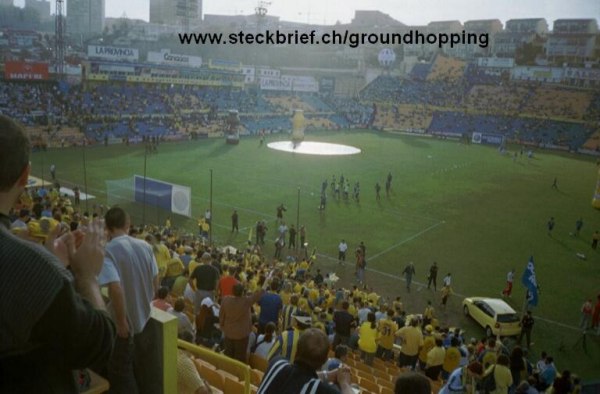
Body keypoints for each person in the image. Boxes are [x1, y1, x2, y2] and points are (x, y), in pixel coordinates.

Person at [0, 114, 115, 393]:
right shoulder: (29, 269)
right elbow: (100, 343)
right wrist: (86, 276)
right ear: (25, 176)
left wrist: (52, 264)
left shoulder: (36, 267)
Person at [98, 206, 159, 393]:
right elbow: (156, 280)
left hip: (125, 330)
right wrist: (147, 297)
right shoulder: (145, 246)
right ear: (128, 224)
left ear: (107, 227)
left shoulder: (107, 250)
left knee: (123, 377)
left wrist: (121, 322)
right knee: (147, 375)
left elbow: (115, 287)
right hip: (147, 322)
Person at [258, 328, 354, 394]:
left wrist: (328, 375)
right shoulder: (321, 390)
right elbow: (303, 378)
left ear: (296, 350)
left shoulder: (276, 364)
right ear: (324, 361)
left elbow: (299, 376)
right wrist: (344, 383)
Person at [220, 280, 268, 363]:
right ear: (242, 292)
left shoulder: (225, 300)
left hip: (228, 332)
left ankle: (227, 372)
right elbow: (258, 295)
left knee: (228, 356)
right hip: (241, 335)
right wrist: (265, 283)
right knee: (239, 358)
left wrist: (223, 327)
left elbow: (221, 315)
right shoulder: (246, 301)